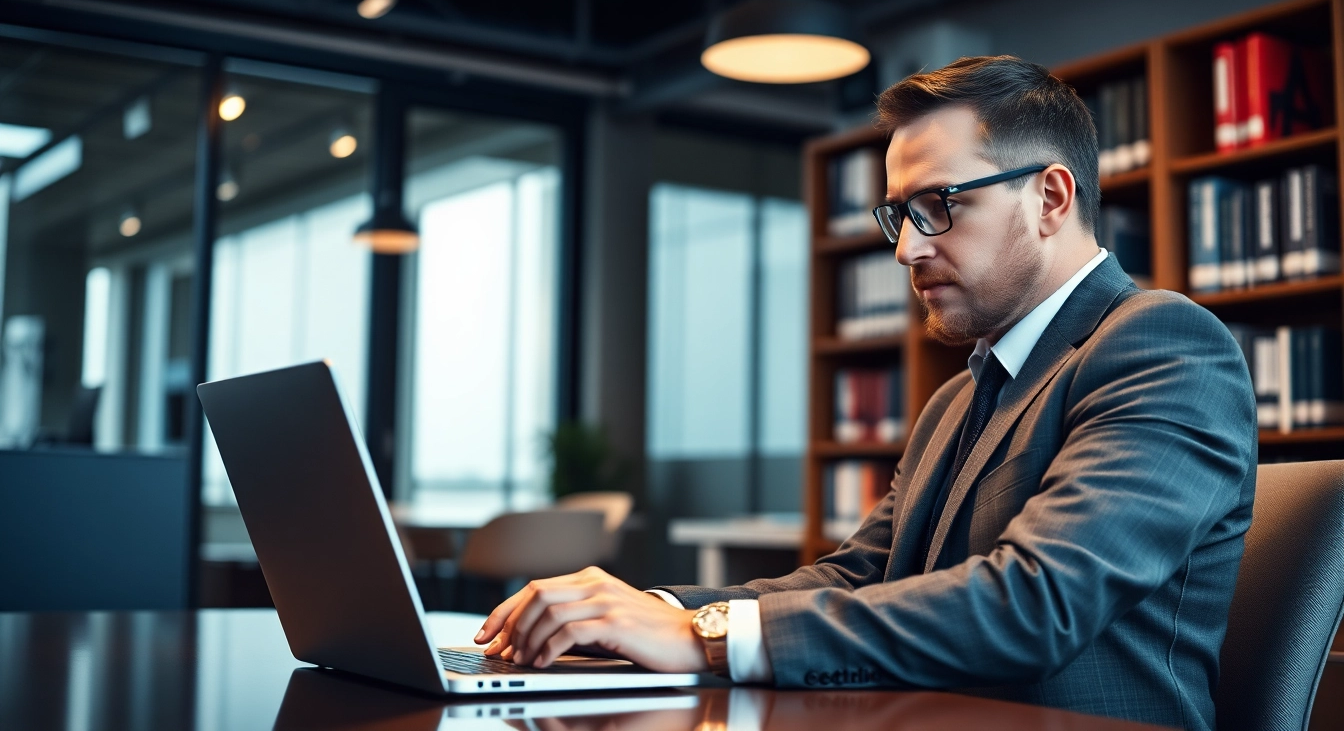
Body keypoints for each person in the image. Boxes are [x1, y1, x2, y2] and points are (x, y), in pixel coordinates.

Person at [474, 55, 1257, 731]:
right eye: (899, 216)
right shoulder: (958, 398)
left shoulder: (1160, 344)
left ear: (1051, 198)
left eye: (939, 207)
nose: (909, 248)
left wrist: (708, 638)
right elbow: (859, 578)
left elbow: (1038, 601)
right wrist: (643, 611)